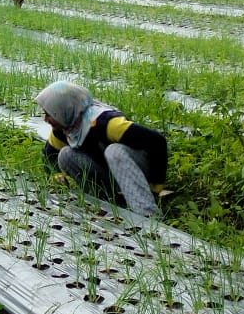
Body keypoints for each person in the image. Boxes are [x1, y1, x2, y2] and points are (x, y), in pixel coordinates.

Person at [35, 81, 168, 217]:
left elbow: (157, 142)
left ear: (63, 109)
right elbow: (49, 155)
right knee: (66, 155)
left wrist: (155, 187)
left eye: (49, 114)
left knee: (114, 151)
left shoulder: (107, 124)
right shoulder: (66, 129)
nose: (45, 119)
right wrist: (56, 175)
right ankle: (106, 205)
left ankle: (147, 214)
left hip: (135, 168)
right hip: (110, 172)